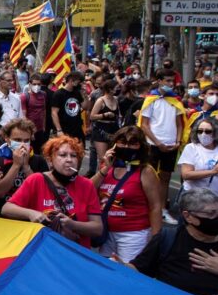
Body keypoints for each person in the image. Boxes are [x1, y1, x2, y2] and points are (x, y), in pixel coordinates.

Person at [2, 136, 103, 248]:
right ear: (50, 160)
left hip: (76, 254)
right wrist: (31, 213)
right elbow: (6, 209)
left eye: (74, 156)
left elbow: (97, 228)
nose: (69, 159)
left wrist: (72, 224)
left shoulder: (86, 185)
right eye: (62, 155)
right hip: (43, 252)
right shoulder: (36, 180)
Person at [130, 188, 218, 295]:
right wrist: (118, 265)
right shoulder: (168, 239)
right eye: (211, 213)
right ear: (188, 216)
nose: (216, 216)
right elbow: (139, 269)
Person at [91, 126, 162, 262]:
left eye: (133, 143)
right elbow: (87, 190)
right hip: (107, 233)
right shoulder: (107, 167)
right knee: (106, 273)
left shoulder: (146, 171)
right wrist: (105, 168)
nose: (126, 146)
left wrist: (155, 239)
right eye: (122, 142)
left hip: (133, 235)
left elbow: (155, 207)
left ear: (140, 146)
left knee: (128, 274)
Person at [0, 118, 48, 217]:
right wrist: (16, 165)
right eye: (18, 140)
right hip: (1, 217)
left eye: (26, 140)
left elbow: (42, 192)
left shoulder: (39, 160)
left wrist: (26, 166)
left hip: (31, 217)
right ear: (7, 138)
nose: (23, 144)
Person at [140, 69, 184, 221]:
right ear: (159, 81)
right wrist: (158, 143)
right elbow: (144, 125)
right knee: (149, 176)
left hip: (171, 145)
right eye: (167, 81)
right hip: (153, 144)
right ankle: (148, 207)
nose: (171, 84)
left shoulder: (176, 100)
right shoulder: (150, 99)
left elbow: (179, 125)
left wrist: (177, 142)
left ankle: (163, 209)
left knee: (165, 177)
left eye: (172, 81)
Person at [178, 117, 218, 197]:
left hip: (214, 197)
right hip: (193, 197)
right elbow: (186, 175)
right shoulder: (191, 148)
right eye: (200, 131)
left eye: (208, 131)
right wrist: (212, 172)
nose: (203, 134)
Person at [89, 78, 121, 176]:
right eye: (116, 88)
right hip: (101, 129)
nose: (118, 89)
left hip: (113, 129)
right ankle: (100, 179)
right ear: (110, 89)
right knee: (102, 158)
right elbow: (92, 116)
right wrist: (105, 115)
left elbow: (119, 114)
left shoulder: (116, 99)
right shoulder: (100, 100)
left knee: (111, 156)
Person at [50, 70, 86, 143]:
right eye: (78, 81)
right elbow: (54, 113)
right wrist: (59, 130)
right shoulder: (58, 94)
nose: (79, 84)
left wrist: (85, 95)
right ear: (71, 80)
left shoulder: (77, 93)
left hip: (77, 129)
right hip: (64, 129)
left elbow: (85, 107)